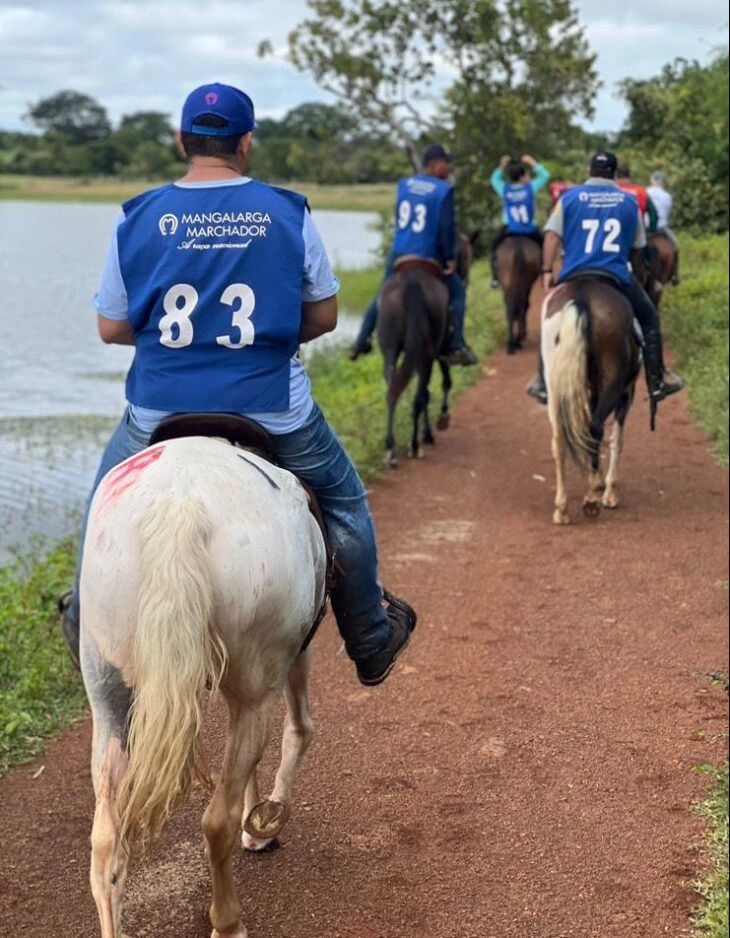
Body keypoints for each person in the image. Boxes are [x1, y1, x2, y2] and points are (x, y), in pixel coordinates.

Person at [58, 82, 416, 688]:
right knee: (346, 505)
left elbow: (111, 326)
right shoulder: (287, 210)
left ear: (181, 140)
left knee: (100, 517)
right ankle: (370, 638)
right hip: (271, 406)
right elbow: (326, 316)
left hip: (157, 408)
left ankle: (83, 628)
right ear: (245, 144)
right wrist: (268, 334)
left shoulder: (137, 215)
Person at [525, 150, 684, 406]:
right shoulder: (628, 201)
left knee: (548, 319)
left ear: (589, 171)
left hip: (574, 275)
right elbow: (638, 247)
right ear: (613, 174)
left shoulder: (569, 197)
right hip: (614, 275)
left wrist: (546, 271)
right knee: (650, 318)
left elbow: (552, 236)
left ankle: (543, 382)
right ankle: (657, 380)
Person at [348, 144, 478, 366]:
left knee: (383, 292)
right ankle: (457, 344)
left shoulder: (404, 184)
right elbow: (446, 229)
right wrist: (449, 260)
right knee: (457, 294)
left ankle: (361, 340)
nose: (449, 167)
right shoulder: (443, 190)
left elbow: (401, 218)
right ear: (436, 165)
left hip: (400, 251)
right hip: (427, 253)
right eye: (447, 163)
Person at [489, 154, 551, 288]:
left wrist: (502, 166)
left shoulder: (504, 189)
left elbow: (494, 179)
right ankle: (545, 271)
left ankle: (495, 277)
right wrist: (532, 162)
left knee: (495, 247)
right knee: (544, 246)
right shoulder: (530, 188)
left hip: (510, 229)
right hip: (529, 230)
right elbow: (545, 175)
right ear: (522, 177)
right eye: (527, 175)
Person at [647, 170, 680, 284]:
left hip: (645, 229)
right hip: (661, 229)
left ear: (652, 180)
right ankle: (674, 274)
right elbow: (666, 212)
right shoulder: (667, 196)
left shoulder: (645, 192)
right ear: (662, 182)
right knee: (675, 245)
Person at [616, 162, 659, 233]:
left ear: (615, 175)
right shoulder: (641, 191)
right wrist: (652, 230)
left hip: (617, 231)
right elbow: (653, 214)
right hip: (638, 231)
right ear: (629, 174)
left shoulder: (612, 191)